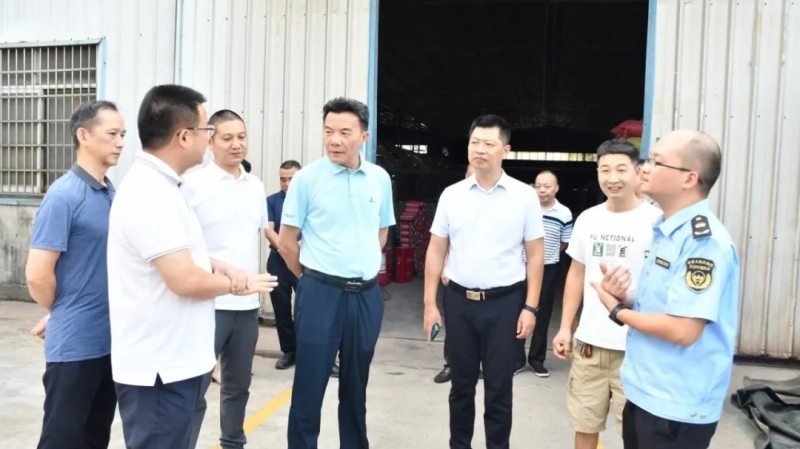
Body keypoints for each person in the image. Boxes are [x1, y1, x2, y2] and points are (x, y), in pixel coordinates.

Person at [106, 84, 277, 449]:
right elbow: (183, 279)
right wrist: (238, 283)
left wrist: (216, 265)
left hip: (174, 362)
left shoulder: (165, 186)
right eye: (207, 131)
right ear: (185, 137)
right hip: (160, 370)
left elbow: (176, 255)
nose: (211, 139)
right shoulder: (152, 193)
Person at [591, 130, 738, 449]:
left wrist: (618, 311)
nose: (644, 168)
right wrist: (625, 296)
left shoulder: (703, 242)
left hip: (675, 404)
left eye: (656, 162)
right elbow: (666, 304)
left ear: (689, 178)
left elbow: (684, 329)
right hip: (645, 391)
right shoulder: (666, 229)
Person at [278, 97, 395, 449]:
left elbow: (381, 232)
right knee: (309, 385)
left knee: (356, 385)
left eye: (345, 132)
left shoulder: (379, 179)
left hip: (367, 297)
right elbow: (287, 242)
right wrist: (311, 279)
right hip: (320, 294)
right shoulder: (306, 180)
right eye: (328, 131)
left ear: (364, 137)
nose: (334, 140)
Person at [423, 114, 545, 449]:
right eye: (474, 142)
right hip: (459, 303)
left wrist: (530, 307)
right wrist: (430, 304)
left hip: (505, 304)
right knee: (461, 386)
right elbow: (436, 249)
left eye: (488, 144)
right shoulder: (452, 195)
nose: (479, 149)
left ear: (505, 150)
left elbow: (535, 255)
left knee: (499, 389)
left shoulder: (524, 196)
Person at [25, 100, 125, 449]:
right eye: (112, 134)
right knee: (62, 439)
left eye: (123, 135)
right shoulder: (64, 195)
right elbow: (37, 276)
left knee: (95, 437)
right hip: (75, 347)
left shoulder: (111, 193)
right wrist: (63, 309)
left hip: (109, 342)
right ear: (83, 135)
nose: (120, 142)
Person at [551, 138, 661, 449]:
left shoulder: (656, 222)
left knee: (636, 434)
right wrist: (565, 327)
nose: (613, 178)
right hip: (590, 345)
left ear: (637, 172)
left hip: (637, 346)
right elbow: (576, 274)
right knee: (584, 426)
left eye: (621, 169)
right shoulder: (588, 219)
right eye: (605, 170)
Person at [183, 109, 269, 449]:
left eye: (242, 137)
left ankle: (233, 442)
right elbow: (185, 247)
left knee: (238, 385)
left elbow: (256, 236)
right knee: (195, 388)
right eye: (227, 138)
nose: (236, 144)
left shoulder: (255, 186)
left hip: (246, 306)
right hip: (207, 305)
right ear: (210, 141)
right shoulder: (192, 185)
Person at [516, 170, 573, 377]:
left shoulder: (564, 213)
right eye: (538, 186)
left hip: (549, 268)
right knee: (517, 312)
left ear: (556, 188)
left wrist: (543, 256)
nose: (541, 190)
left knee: (543, 314)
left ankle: (537, 359)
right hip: (520, 267)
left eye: (547, 186)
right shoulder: (524, 208)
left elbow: (565, 243)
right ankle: (516, 359)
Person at [434, 164, 475, 384]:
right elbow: (443, 241)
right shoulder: (453, 197)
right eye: (471, 173)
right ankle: (451, 365)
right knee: (454, 329)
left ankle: (478, 366)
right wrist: (444, 266)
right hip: (457, 278)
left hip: (490, 282)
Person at [265, 160, 303, 370]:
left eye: (291, 179)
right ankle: (289, 351)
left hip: (304, 260)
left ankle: (311, 352)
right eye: (283, 179)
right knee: (281, 307)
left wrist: (295, 247)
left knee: (307, 308)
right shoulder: (271, 201)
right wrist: (284, 246)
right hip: (278, 260)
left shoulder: (309, 200)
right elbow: (268, 229)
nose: (287, 184)